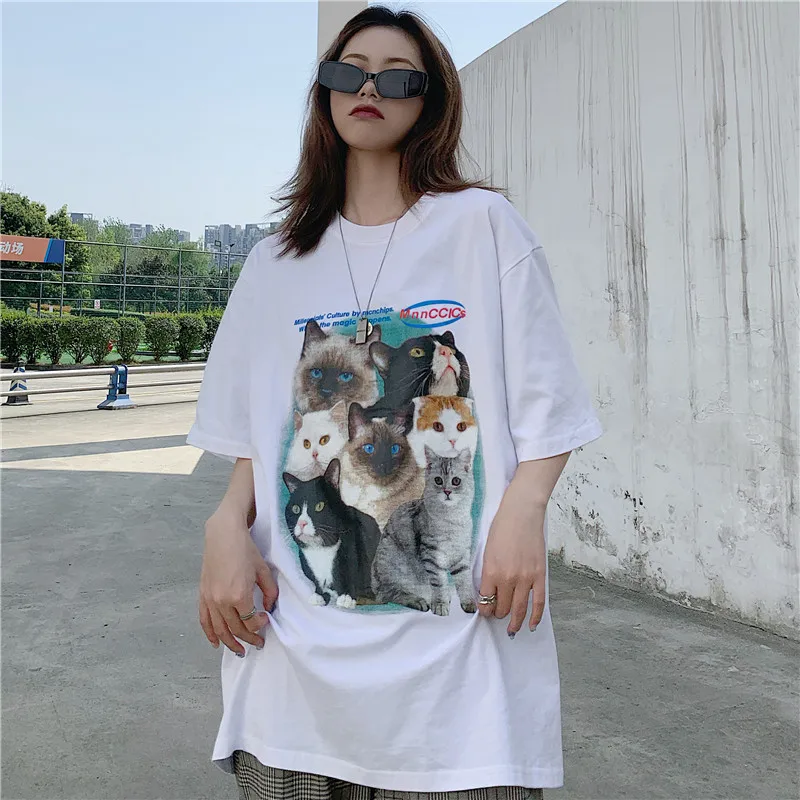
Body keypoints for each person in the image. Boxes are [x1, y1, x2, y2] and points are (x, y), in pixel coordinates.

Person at [188, 5, 602, 800]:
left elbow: (554, 408)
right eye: (348, 72)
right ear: (325, 93)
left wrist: (524, 510)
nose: (369, 88)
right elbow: (256, 437)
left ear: (431, 99)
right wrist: (223, 526)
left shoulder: (484, 227)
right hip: (294, 684)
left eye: (396, 76)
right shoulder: (275, 262)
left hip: (460, 695)